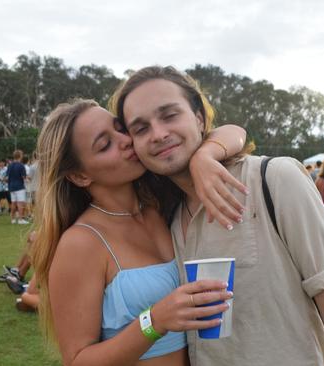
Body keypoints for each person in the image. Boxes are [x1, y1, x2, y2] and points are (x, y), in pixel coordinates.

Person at [112, 66, 324, 365]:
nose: (158, 134)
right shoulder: (164, 213)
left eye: (169, 115)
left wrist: (205, 155)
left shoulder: (273, 179)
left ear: (198, 117)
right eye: (141, 128)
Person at [31, 98, 246, 365]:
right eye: (104, 144)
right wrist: (154, 321)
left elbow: (236, 132)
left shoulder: (163, 203)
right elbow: (77, 359)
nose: (125, 141)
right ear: (79, 176)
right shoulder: (81, 243)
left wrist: (205, 155)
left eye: (120, 128)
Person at [7, 150, 28, 224]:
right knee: (20, 203)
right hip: (19, 187)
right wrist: (27, 180)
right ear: (20, 156)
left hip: (11, 186)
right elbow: (23, 177)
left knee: (13, 203)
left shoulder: (10, 165)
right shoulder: (21, 165)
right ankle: (20, 219)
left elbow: (7, 176)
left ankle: (12, 219)